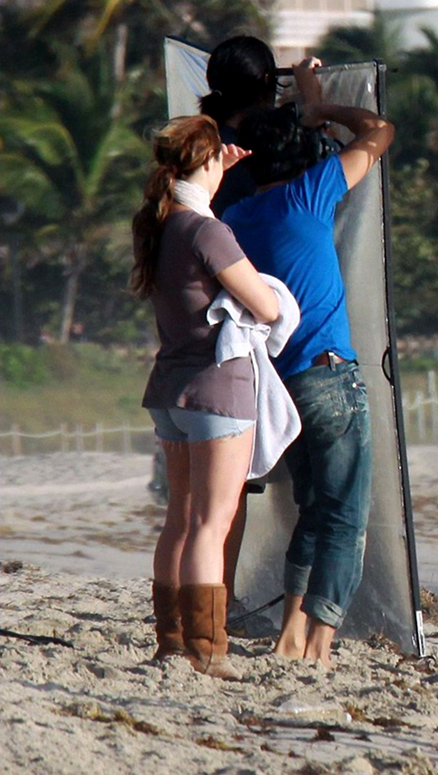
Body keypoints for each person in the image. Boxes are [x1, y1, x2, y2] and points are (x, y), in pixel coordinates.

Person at [221, 93, 394, 668]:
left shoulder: (233, 220)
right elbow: (380, 132)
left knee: (315, 510)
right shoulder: (310, 192)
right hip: (330, 378)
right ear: (304, 160)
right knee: (345, 516)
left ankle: (289, 633)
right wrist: (322, 105)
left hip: (278, 387)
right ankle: (318, 646)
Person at [131, 114, 280, 678]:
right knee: (211, 523)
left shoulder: (162, 224)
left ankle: (171, 641)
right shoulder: (207, 231)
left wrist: (216, 166)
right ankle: (207, 647)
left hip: (170, 387)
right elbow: (264, 306)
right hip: (217, 389)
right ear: (209, 162)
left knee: (180, 517)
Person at [199, 39, 329, 611]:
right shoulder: (266, 143)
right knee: (305, 487)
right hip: (274, 317)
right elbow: (331, 151)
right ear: (265, 86)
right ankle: (273, 613)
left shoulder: (197, 145)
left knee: (219, 492)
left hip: (207, 322)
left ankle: (216, 602)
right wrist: (311, 93)